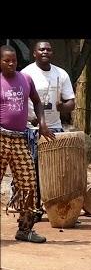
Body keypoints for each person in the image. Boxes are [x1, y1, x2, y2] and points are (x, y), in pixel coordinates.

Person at [0, 45, 55, 243]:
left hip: (20, 138)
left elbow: (37, 102)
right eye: (6, 60)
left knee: (29, 184)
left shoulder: (25, 79)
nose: (11, 63)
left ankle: (25, 229)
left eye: (13, 60)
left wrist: (42, 124)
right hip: (1, 137)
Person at [20, 41, 75, 221]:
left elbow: (71, 102)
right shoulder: (26, 74)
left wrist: (62, 106)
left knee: (57, 171)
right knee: (34, 169)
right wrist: (30, 118)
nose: (45, 52)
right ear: (34, 53)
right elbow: (19, 102)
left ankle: (58, 209)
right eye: (41, 49)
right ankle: (35, 209)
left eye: (48, 49)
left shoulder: (61, 74)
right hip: (32, 128)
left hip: (55, 128)